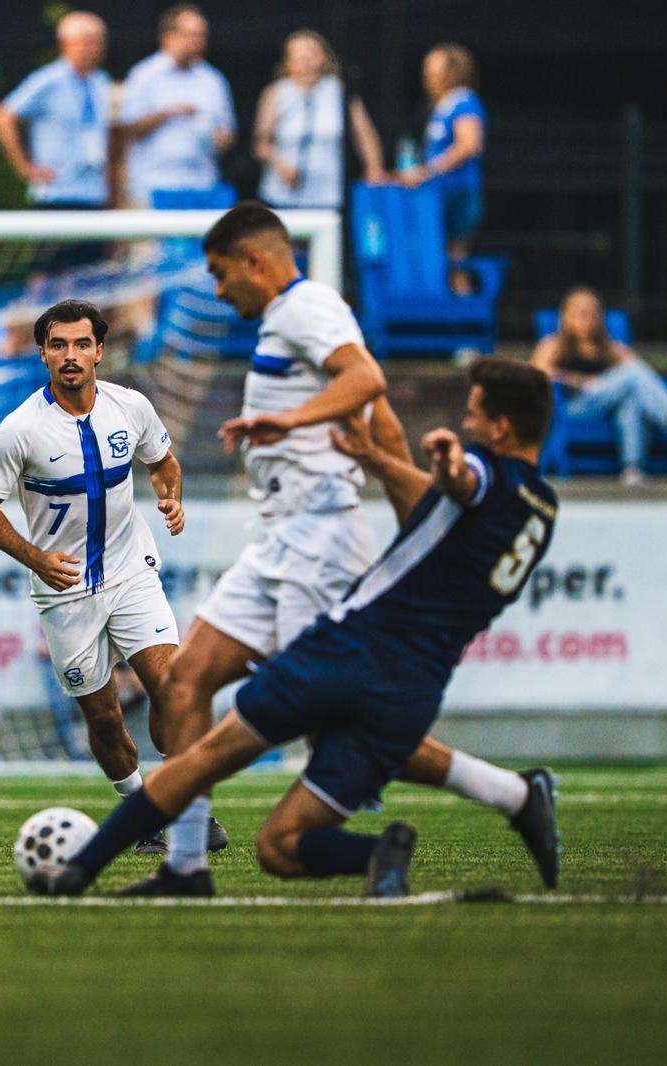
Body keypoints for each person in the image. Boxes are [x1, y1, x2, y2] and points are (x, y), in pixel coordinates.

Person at [122, 201, 556, 897]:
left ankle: (513, 795)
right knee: (186, 678)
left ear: (255, 261)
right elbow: (377, 418)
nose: (218, 288)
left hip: (321, 539)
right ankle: (185, 865)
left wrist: (292, 423)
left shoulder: (309, 307)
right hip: (281, 538)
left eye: (220, 272)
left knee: (329, 721)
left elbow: (369, 384)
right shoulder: (286, 322)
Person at [27, 359, 560, 899]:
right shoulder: (542, 507)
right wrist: (378, 458)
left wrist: (448, 466)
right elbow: (442, 510)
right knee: (280, 845)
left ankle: (82, 871)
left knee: (203, 749)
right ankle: (450, 825)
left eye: (474, 416)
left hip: (350, 651)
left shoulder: (480, 471)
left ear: (501, 428)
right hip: (414, 685)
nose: (467, 426)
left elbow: (462, 482)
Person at [0, 299, 203, 852]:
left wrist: (170, 499)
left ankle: (176, 804)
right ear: (43, 353)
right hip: (64, 590)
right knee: (103, 717)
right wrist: (35, 557)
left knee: (174, 689)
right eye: (58, 345)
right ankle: (138, 809)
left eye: (80, 344)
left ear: (99, 350)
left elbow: (162, 462)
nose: (70, 356)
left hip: (131, 571)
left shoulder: (131, 407)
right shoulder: (20, 429)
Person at [531, 285, 667, 485]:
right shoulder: (552, 345)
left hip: (607, 408)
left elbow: (643, 374)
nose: (589, 320)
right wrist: (581, 381)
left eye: (594, 314)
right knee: (630, 375)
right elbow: (537, 376)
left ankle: (632, 468)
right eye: (582, 313)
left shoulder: (610, 348)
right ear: (566, 316)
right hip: (571, 407)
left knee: (630, 397)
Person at [253, 30, 387, 210]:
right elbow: (261, 144)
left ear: (324, 57)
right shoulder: (276, 93)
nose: (306, 60)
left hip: (328, 194)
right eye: (299, 55)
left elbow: (364, 133)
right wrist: (281, 166)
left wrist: (374, 169)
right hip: (282, 193)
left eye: (311, 53)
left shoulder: (339, 91)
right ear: (288, 61)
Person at [0, 11, 113, 208]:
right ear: (66, 43)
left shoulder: (100, 81)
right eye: (89, 41)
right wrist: (25, 168)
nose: (96, 48)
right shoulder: (49, 80)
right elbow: (3, 117)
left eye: (99, 41)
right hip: (56, 192)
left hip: (95, 192)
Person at [119, 4, 236, 207]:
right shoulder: (144, 76)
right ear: (168, 37)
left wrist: (220, 139)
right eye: (190, 35)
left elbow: (228, 133)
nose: (197, 42)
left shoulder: (212, 79)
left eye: (201, 36)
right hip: (154, 185)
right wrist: (168, 113)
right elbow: (128, 129)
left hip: (202, 186)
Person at [397, 44, 486, 294]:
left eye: (433, 67)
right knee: (437, 258)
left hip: (456, 193)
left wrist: (428, 171)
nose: (427, 74)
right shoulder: (441, 106)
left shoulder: (464, 100)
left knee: (455, 258)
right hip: (435, 195)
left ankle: (463, 318)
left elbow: (469, 145)